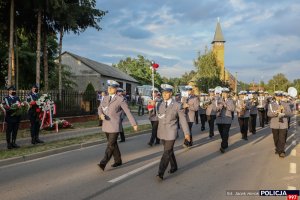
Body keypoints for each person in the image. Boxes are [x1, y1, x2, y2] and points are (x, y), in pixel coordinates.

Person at [97, 80, 138, 171]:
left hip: (115, 126)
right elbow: (99, 108)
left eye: (111, 88)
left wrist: (134, 124)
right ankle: (118, 160)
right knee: (114, 144)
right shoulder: (105, 98)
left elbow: (127, 111)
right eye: (108, 87)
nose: (109, 89)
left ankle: (103, 163)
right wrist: (100, 115)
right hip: (106, 125)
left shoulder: (120, 99)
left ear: (115, 89)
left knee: (110, 145)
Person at [156, 84, 190, 181]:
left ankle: (160, 173)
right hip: (162, 132)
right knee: (169, 151)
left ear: (170, 93)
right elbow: (157, 116)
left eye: (166, 93)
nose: (164, 95)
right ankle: (174, 166)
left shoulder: (177, 105)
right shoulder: (159, 104)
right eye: (163, 93)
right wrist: (150, 107)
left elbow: (183, 120)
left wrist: (187, 134)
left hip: (171, 131)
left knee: (166, 152)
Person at [268, 91, 293, 158]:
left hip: (283, 123)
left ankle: (281, 151)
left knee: (282, 138)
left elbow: (290, 113)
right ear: (275, 97)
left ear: (281, 97)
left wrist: (284, 113)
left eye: (280, 96)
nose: (278, 97)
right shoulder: (271, 104)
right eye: (277, 96)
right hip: (274, 123)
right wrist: (275, 113)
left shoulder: (285, 104)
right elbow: (268, 114)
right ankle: (277, 148)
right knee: (276, 138)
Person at [216, 88, 235, 153]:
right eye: (223, 93)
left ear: (227, 94)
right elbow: (215, 108)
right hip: (219, 119)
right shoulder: (218, 100)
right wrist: (219, 107)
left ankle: (223, 146)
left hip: (227, 118)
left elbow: (232, 109)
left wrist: (225, 105)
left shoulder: (230, 100)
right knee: (222, 133)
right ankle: (225, 142)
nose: (224, 94)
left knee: (225, 132)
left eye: (225, 93)